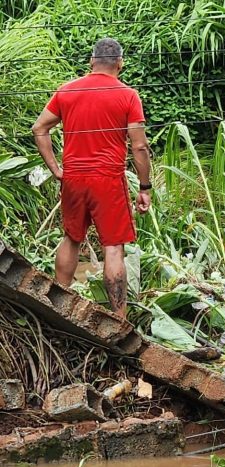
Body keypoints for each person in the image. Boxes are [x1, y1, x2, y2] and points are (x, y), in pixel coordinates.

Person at [31, 38, 151, 318]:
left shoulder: (67, 91)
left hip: (73, 178)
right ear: (120, 63)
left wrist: (56, 169)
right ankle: (119, 318)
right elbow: (140, 146)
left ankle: (58, 307)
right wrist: (145, 187)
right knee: (113, 247)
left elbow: (39, 129)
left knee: (71, 238)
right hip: (108, 180)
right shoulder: (128, 95)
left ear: (91, 62)